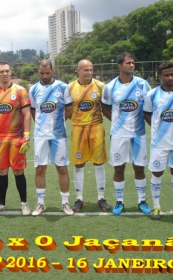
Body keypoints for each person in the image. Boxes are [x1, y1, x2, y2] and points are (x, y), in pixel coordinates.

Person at [101, 52, 152, 215]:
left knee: (139, 168)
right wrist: (117, 123)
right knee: (119, 169)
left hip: (138, 135)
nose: (132, 65)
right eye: (128, 63)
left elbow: (149, 108)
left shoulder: (143, 85)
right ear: (119, 66)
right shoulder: (110, 87)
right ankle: (119, 201)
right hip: (118, 135)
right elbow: (105, 108)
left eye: (133, 63)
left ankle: (142, 201)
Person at [0, 61, 31, 215]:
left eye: (7, 71)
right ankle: (1, 203)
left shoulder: (20, 91)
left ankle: (24, 203)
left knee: (18, 171)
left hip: (16, 138)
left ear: (11, 73)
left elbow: (27, 114)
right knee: (1, 171)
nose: (5, 74)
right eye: (1, 71)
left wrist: (27, 136)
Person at [29, 59, 74, 216]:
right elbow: (34, 111)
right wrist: (42, 125)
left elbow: (69, 109)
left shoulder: (62, 87)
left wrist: (57, 124)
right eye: (42, 73)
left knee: (61, 168)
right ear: (38, 71)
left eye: (47, 73)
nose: (45, 75)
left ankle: (65, 203)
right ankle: (40, 204)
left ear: (52, 71)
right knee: (40, 168)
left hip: (58, 135)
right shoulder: (33, 89)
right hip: (40, 136)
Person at [68, 59, 110, 212]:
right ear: (78, 70)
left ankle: (101, 197)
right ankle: (79, 198)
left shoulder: (100, 86)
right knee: (79, 163)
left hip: (96, 127)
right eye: (85, 70)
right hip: (78, 128)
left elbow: (106, 107)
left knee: (98, 163)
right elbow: (66, 109)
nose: (89, 73)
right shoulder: (70, 87)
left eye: (91, 70)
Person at [143, 61, 173, 220]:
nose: (170, 78)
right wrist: (157, 128)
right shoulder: (152, 94)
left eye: (172, 74)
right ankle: (156, 206)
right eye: (166, 75)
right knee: (157, 173)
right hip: (159, 143)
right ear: (159, 76)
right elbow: (147, 113)